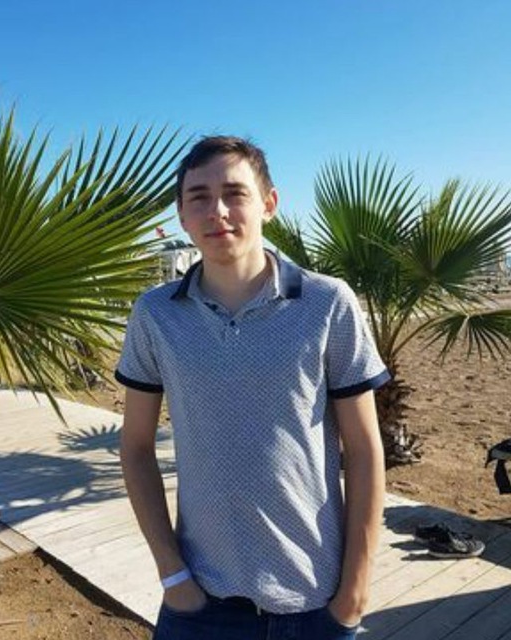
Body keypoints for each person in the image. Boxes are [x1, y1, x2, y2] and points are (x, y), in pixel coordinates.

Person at [116, 135, 389, 640]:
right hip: (200, 604)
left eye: (234, 193)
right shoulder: (155, 314)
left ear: (269, 203)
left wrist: (354, 592)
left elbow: (365, 449)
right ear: (182, 214)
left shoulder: (328, 303)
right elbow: (134, 447)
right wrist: (173, 576)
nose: (217, 210)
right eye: (199, 197)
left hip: (316, 601)